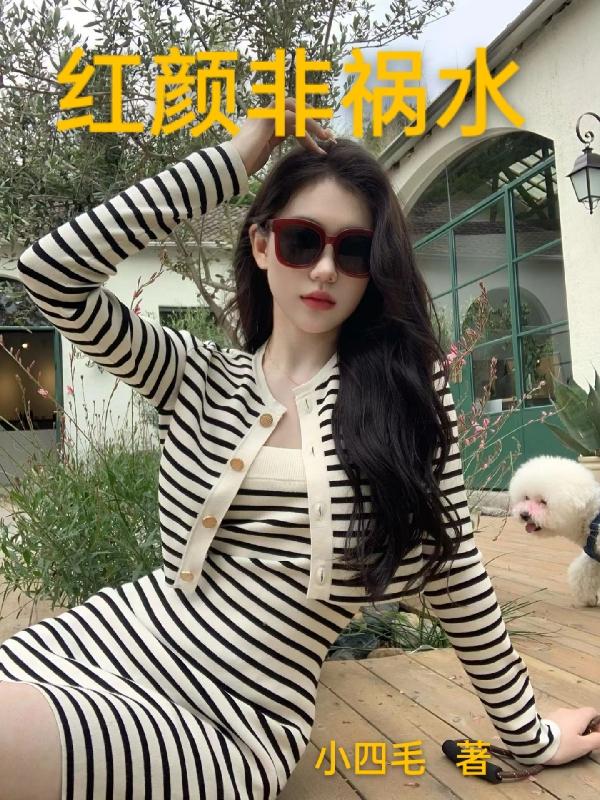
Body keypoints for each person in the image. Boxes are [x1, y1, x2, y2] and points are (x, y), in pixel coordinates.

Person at [1, 95, 598, 800]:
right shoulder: (193, 374)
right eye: (301, 240)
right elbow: (49, 273)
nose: (324, 269)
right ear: (261, 244)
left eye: (353, 250)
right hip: (104, 640)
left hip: (230, 721)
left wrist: (530, 735)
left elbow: (456, 571)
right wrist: (238, 155)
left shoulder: (403, 396)